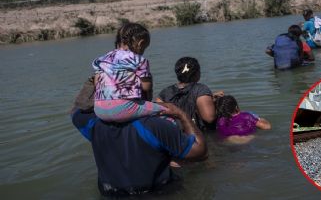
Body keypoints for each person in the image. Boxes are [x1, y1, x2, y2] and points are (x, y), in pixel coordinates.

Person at [71, 77, 207, 197]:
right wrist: (181, 114)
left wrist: (93, 79)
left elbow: (77, 108)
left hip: (110, 193)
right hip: (157, 193)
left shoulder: (93, 124)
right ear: (141, 94)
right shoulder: (155, 125)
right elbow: (199, 151)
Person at [92, 23, 168, 123]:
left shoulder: (103, 58)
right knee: (171, 110)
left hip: (99, 110)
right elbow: (146, 87)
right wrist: (148, 78)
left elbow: (96, 82)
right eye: (145, 48)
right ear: (140, 43)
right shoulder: (139, 60)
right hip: (121, 109)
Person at [157, 57, 223, 131]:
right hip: (198, 136)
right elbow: (209, 118)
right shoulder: (201, 89)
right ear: (197, 74)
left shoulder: (164, 93)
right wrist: (218, 105)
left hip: (174, 136)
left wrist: (210, 98)